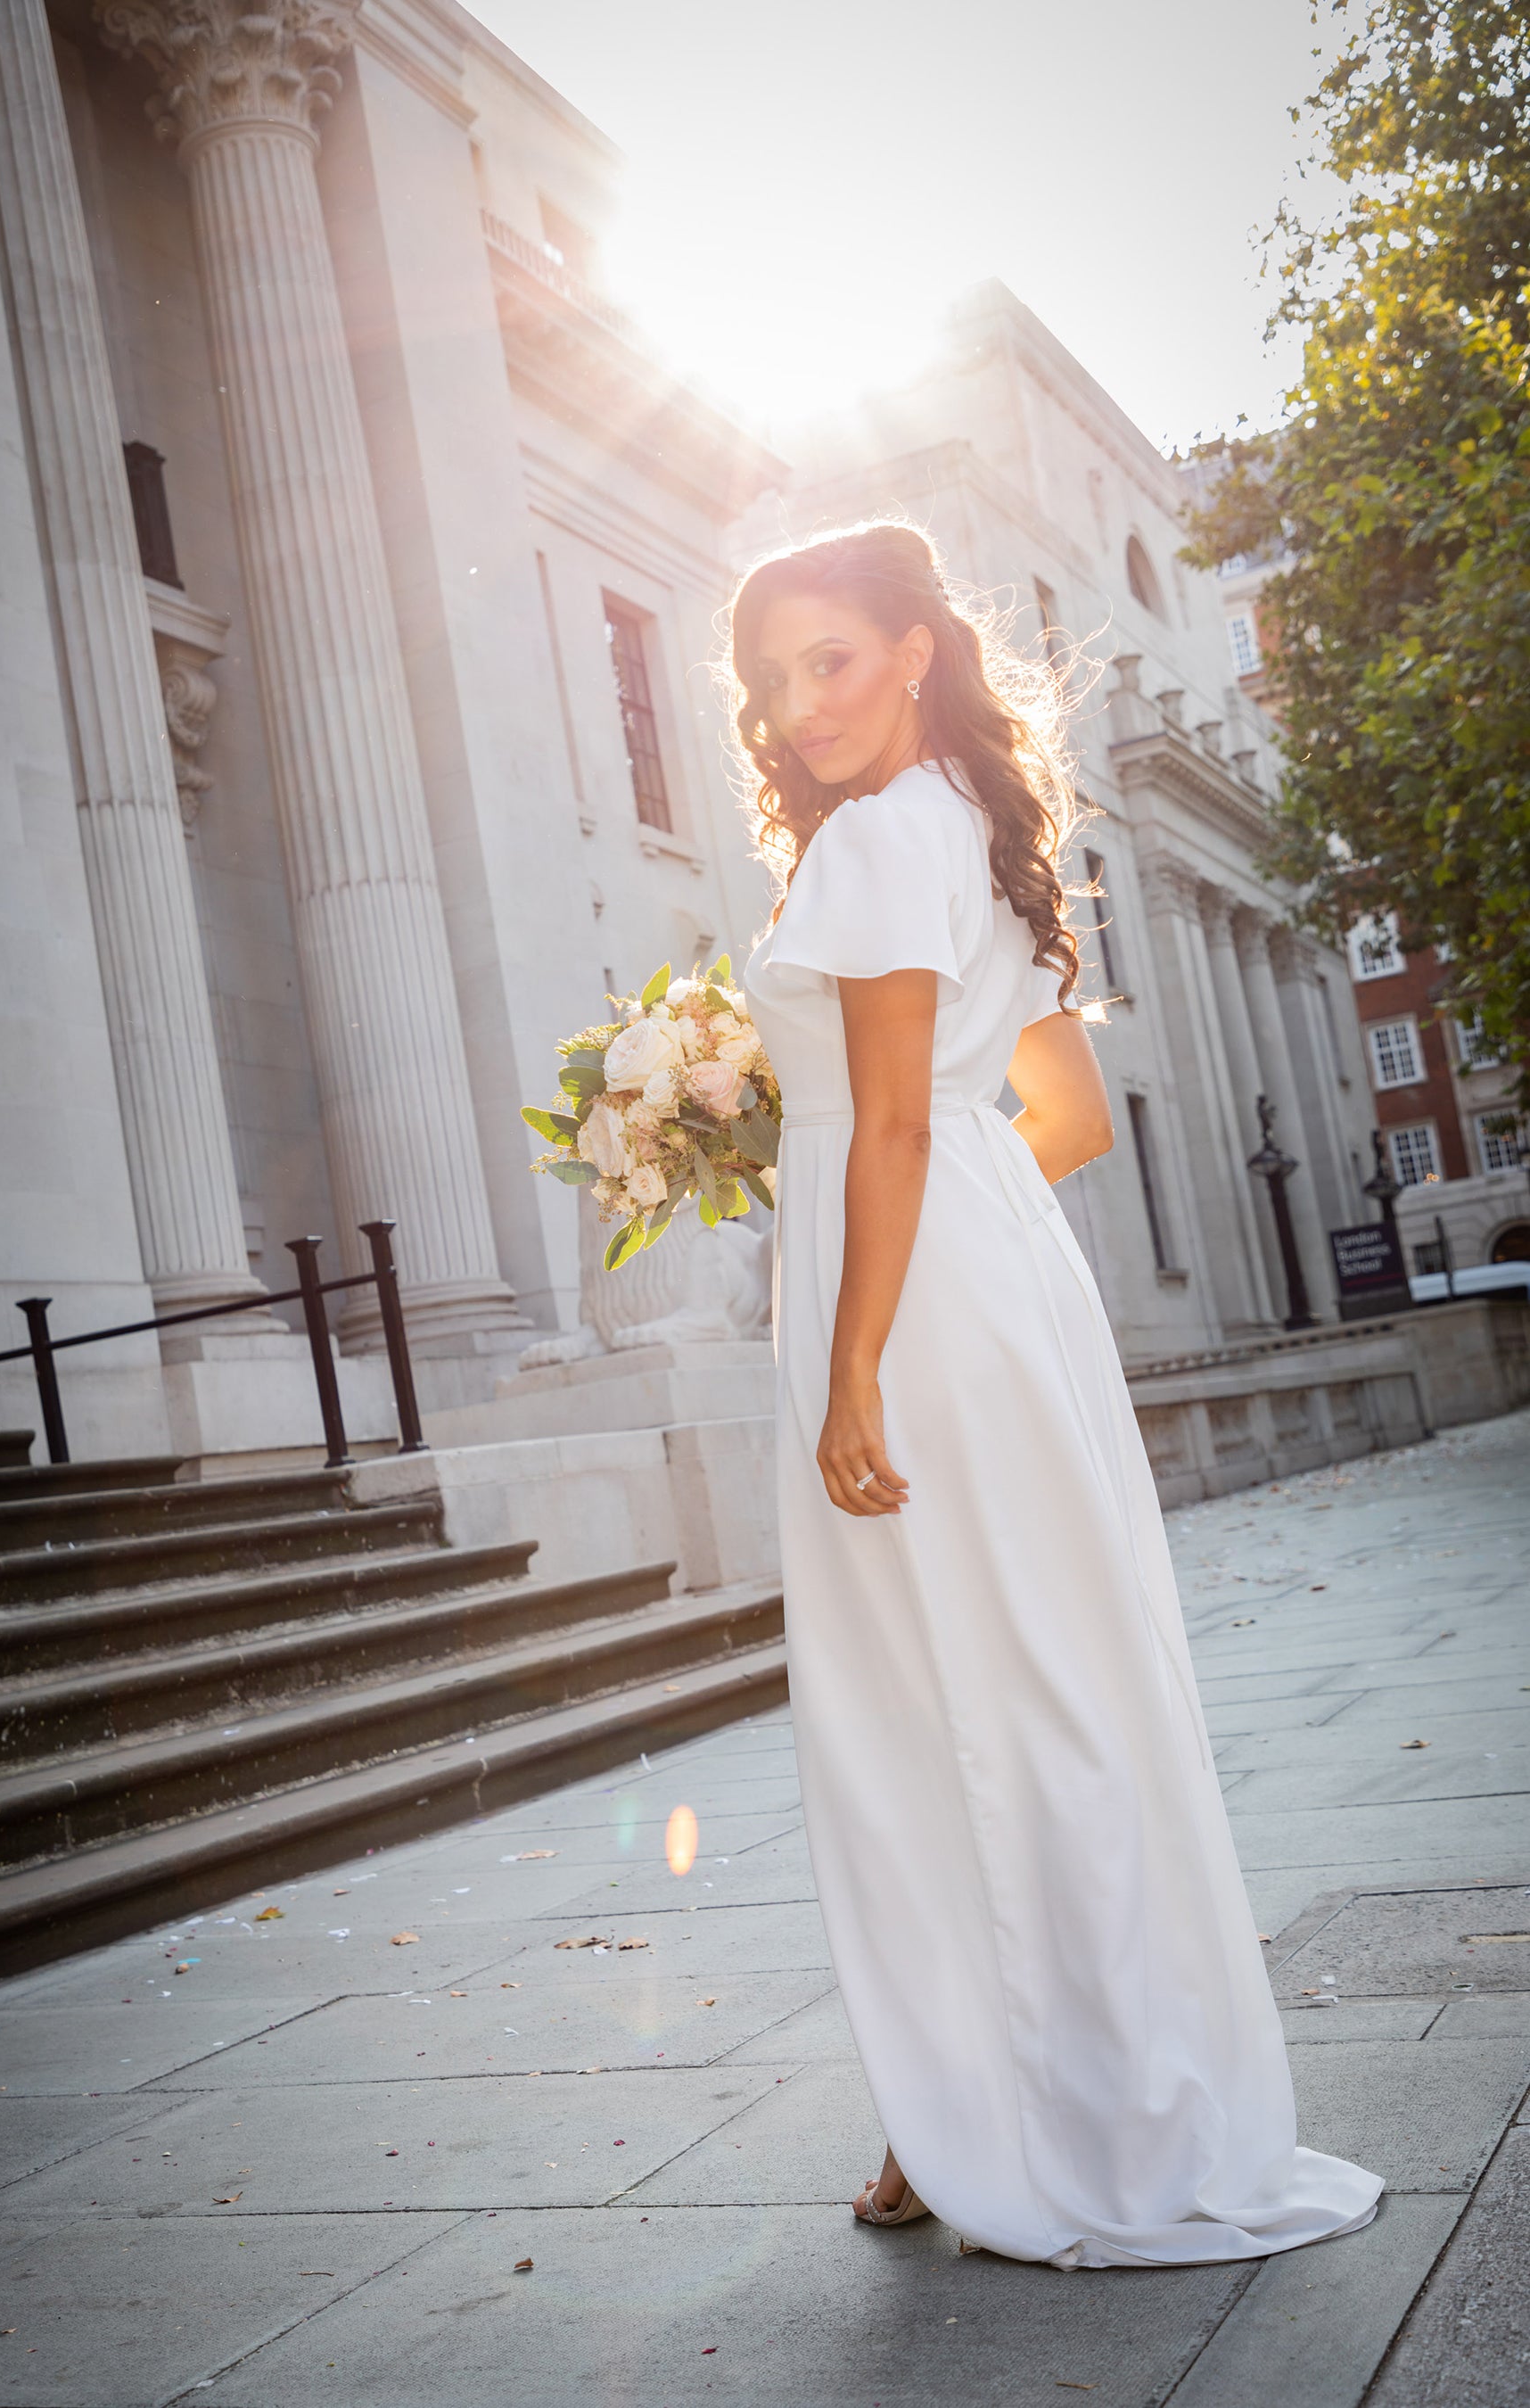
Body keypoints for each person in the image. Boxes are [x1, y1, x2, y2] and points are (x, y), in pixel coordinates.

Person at [732, 522, 1383, 2267]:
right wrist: (914, 1175)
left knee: (930, 1716)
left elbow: (877, 1123)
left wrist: (854, 1352)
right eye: (771, 685)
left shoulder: (875, 843)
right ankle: (992, 2107)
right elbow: (1071, 1124)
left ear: (915, 651)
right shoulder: (985, 837)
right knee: (1038, 1692)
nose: (799, 712)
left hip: (911, 1301)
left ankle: (995, 2124)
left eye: (831, 662)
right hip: (1001, 1279)